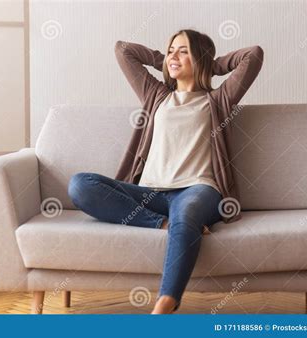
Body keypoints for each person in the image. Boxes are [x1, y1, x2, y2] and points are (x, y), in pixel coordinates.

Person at [68, 29, 264, 314]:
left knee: (186, 214)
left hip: (198, 189)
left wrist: (212, 63)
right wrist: (166, 59)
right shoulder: (156, 94)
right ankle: (162, 223)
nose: (174, 55)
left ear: (201, 59)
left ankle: (164, 305)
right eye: (171, 49)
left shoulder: (219, 100)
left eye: (184, 51)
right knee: (80, 185)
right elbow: (124, 50)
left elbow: (253, 55)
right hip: (151, 194)